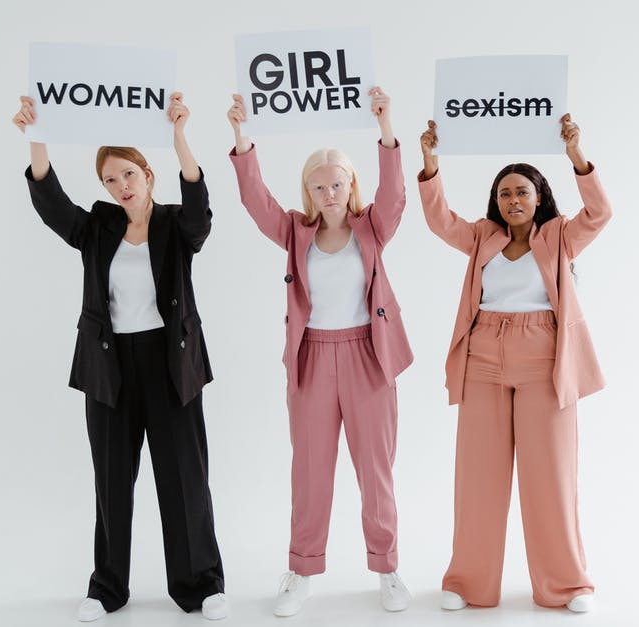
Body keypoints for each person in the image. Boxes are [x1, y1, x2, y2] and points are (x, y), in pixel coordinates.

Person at [12, 93, 229, 622]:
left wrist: (179, 135)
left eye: (128, 174)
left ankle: (199, 586)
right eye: (110, 180)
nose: (120, 186)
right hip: (109, 366)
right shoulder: (99, 227)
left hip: (169, 364)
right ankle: (108, 587)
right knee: (112, 479)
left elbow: (201, 213)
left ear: (147, 172)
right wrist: (36, 134)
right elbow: (52, 207)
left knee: (184, 476)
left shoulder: (176, 225)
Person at [226, 87, 413, 617]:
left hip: (367, 356)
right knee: (310, 470)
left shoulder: (372, 227)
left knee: (376, 469)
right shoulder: (293, 231)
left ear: (350, 184)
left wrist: (386, 126)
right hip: (311, 359)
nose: (330, 192)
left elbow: (396, 195)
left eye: (338, 183)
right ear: (308, 191)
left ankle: (388, 568)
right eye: (319, 185)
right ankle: (302, 570)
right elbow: (254, 200)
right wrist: (242, 139)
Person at [417, 114, 610, 613]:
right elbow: (440, 222)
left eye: (522, 191)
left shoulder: (561, 236)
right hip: (483, 356)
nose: (514, 200)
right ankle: (467, 583)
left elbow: (600, 212)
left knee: (550, 476)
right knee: (478, 475)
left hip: (544, 359)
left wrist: (576, 156)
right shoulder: (482, 235)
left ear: (539, 196)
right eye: (505, 193)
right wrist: (430, 163)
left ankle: (568, 586)